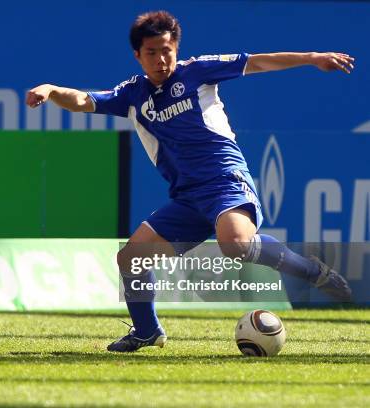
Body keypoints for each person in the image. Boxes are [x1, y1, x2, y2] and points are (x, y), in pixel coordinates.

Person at [26, 10, 354, 352]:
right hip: (186, 198)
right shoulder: (133, 94)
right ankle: (147, 331)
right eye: (151, 52)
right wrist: (50, 89)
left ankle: (310, 270)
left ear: (176, 49)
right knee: (131, 259)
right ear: (137, 55)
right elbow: (82, 101)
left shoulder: (197, 71)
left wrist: (312, 58)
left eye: (167, 50)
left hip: (225, 180)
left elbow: (258, 62)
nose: (161, 59)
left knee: (236, 244)